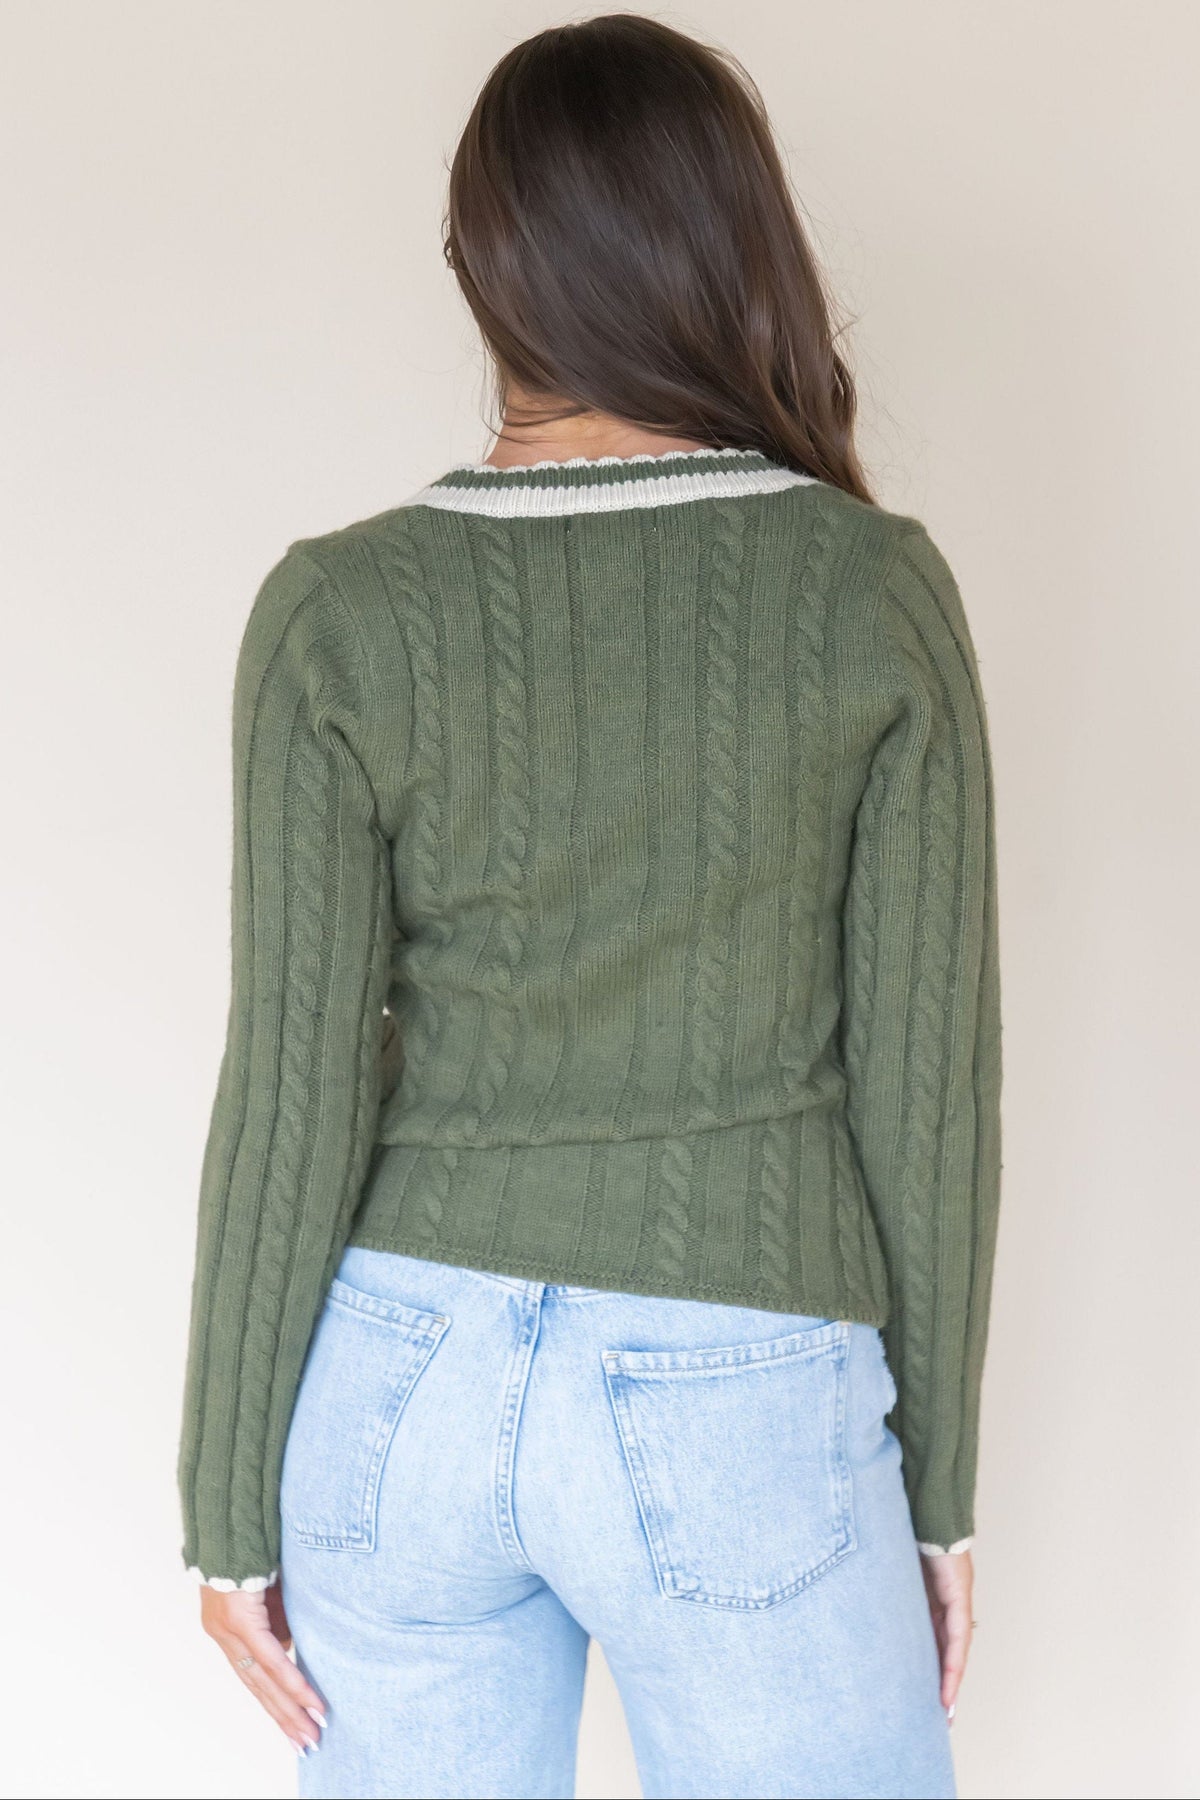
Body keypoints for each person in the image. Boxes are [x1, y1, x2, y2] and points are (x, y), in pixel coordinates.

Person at [178, 14, 1002, 1799]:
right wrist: (937, 1493)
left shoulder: (336, 611)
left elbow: (290, 1082)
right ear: (740, 248)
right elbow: (926, 1096)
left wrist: (225, 1502)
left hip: (395, 1389)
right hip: (742, 1390)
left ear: (482, 266)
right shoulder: (870, 593)